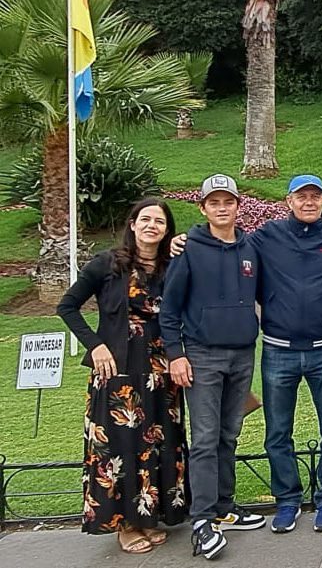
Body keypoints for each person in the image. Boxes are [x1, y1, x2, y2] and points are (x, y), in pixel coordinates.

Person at [175, 174, 322, 534]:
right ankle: (287, 500)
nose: (308, 202)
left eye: (315, 196)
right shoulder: (266, 236)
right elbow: (222, 241)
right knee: (277, 432)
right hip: (278, 351)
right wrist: (183, 239)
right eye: (301, 196)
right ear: (289, 201)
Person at [57, 198, 188, 555]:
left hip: (162, 374)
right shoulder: (107, 263)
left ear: (167, 229)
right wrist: (95, 346)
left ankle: (148, 516)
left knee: (158, 443)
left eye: (159, 221)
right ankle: (125, 525)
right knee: (121, 447)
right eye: (145, 219)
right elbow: (67, 306)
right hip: (118, 373)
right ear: (132, 224)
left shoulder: (171, 266)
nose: (151, 226)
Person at [161, 175, 265, 560]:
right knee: (205, 438)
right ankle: (202, 520)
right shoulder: (187, 249)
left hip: (242, 354)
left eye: (228, 201)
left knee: (228, 434)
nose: (222, 208)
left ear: (238, 206)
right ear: (203, 208)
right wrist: (176, 354)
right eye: (214, 202)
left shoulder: (251, 247)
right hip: (202, 355)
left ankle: (224, 506)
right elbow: (169, 309)